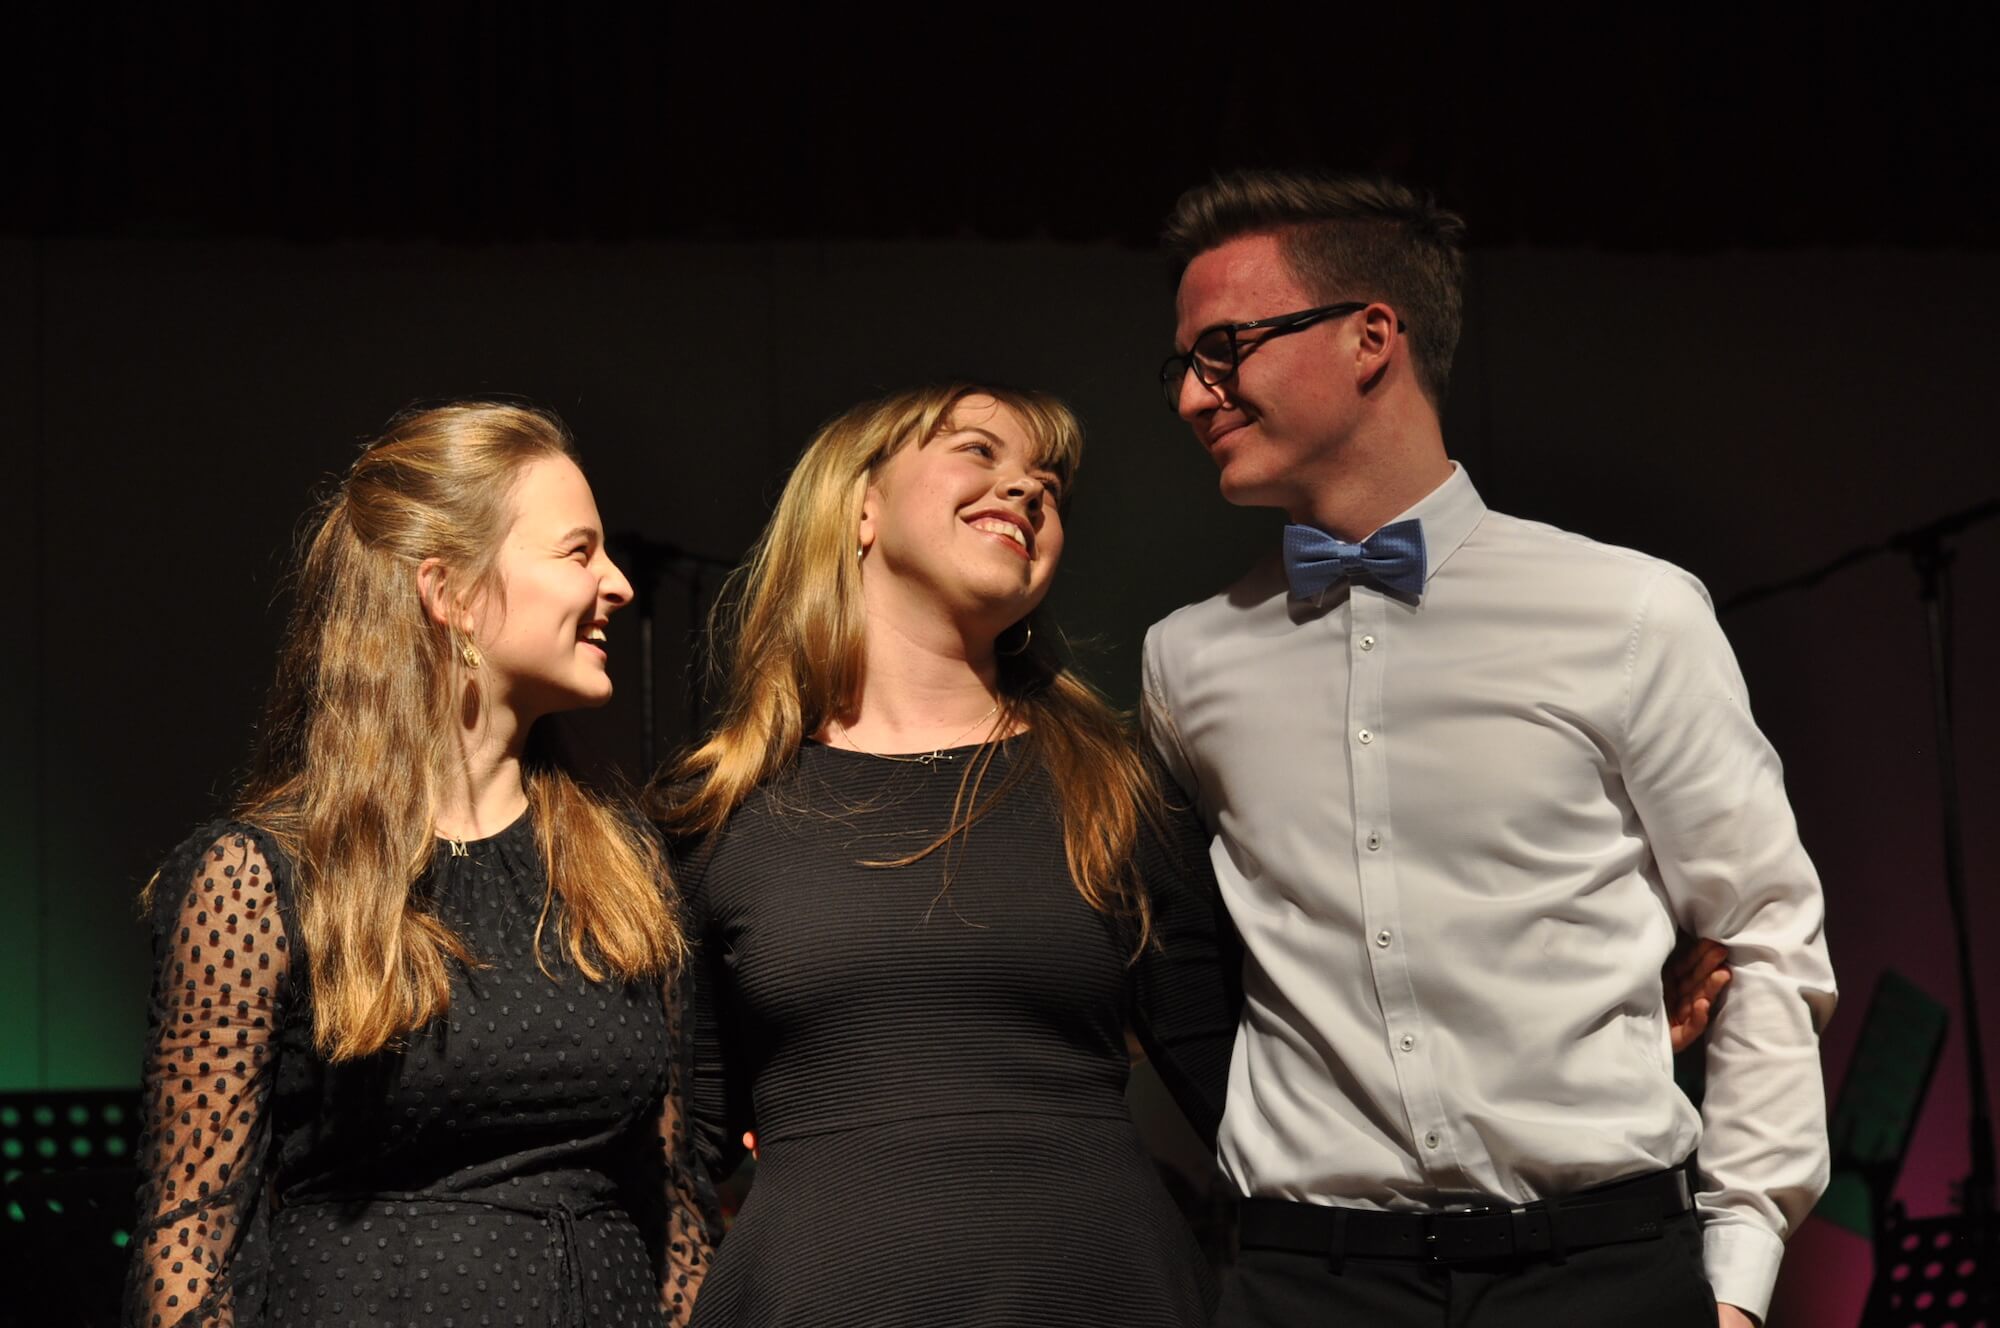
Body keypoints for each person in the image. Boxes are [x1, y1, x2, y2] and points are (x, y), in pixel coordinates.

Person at [1144, 171, 1836, 1328]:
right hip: (1306, 1282)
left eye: (1223, 349)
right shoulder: (1186, 660)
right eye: (1179, 363)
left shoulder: (1627, 610)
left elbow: (1763, 936)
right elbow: (1186, 970)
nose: (1188, 395)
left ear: (1370, 337)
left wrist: (1736, 1278)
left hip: (1601, 1272)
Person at [656, 384, 1241, 1327]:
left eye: (1048, 484)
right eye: (979, 450)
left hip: (1099, 1293)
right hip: (824, 1299)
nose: (1028, 488)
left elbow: (1241, 1095)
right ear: (861, 507)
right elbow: (683, 1150)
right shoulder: (718, 811)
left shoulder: (1114, 787)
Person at [124, 402, 714, 1328]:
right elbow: (190, 1238)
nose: (619, 584)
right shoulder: (261, 878)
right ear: (451, 594)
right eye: (578, 552)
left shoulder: (622, 863)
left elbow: (673, 1213)